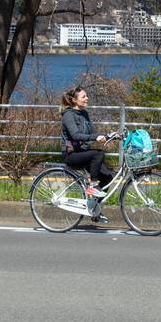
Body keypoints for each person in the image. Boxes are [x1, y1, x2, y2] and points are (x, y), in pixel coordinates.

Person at [60, 87, 114, 221]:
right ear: (74, 100)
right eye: (83, 97)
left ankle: (94, 210)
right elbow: (76, 135)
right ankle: (93, 185)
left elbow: (91, 134)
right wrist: (94, 138)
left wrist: (108, 136)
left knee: (108, 178)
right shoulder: (68, 115)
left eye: (86, 96)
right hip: (71, 155)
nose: (87, 98)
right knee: (98, 154)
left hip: (82, 152)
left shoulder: (84, 114)